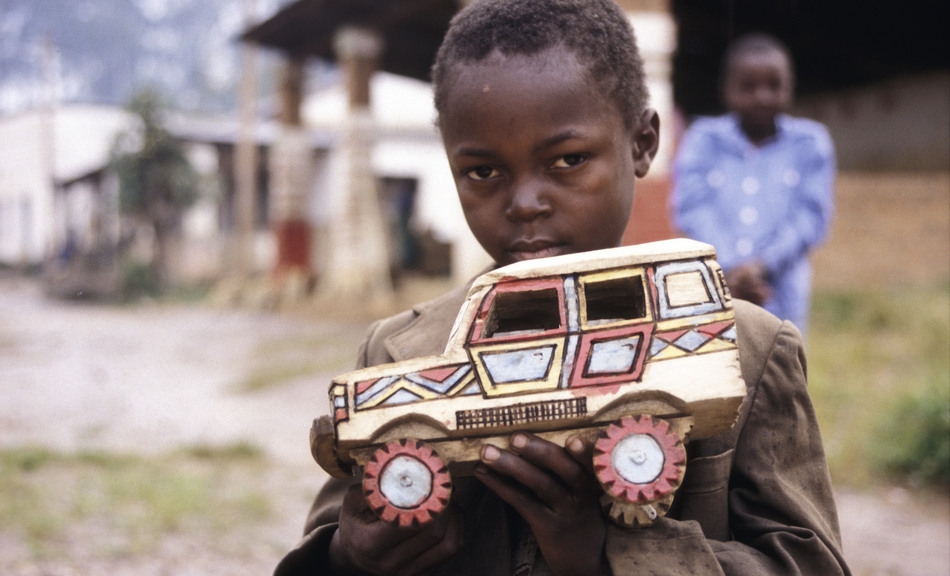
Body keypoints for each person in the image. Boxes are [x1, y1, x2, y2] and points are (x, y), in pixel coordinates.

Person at [275, 2, 849, 575]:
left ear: (642, 143)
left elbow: (809, 562)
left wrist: (604, 553)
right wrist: (345, 558)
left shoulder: (745, 350)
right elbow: (334, 533)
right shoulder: (400, 349)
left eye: (568, 159)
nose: (525, 203)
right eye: (482, 172)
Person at [670, 33, 836, 337]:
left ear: (791, 86)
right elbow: (690, 209)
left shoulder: (811, 144)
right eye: (747, 86)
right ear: (725, 89)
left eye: (774, 85)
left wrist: (760, 267)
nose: (762, 96)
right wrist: (732, 269)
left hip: (782, 301)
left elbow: (811, 218)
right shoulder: (702, 140)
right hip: (716, 295)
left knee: (781, 379)